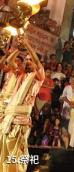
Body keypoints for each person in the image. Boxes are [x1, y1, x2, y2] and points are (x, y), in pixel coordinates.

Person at [0, 38, 45, 172]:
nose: (27, 61)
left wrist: (27, 44)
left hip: (21, 118)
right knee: (4, 148)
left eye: (29, 60)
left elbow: (37, 62)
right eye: (26, 59)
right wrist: (19, 48)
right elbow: (7, 62)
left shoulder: (38, 77)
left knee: (17, 151)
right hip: (8, 117)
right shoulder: (20, 75)